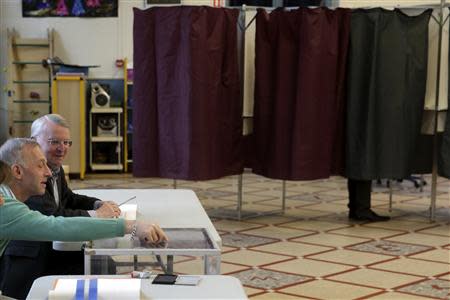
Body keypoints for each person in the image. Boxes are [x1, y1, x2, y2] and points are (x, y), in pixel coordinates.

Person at [0, 139, 167, 299]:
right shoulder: (5, 207)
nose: (48, 172)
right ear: (17, 171)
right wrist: (132, 226)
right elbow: (58, 227)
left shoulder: (6, 199)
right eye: (40, 165)